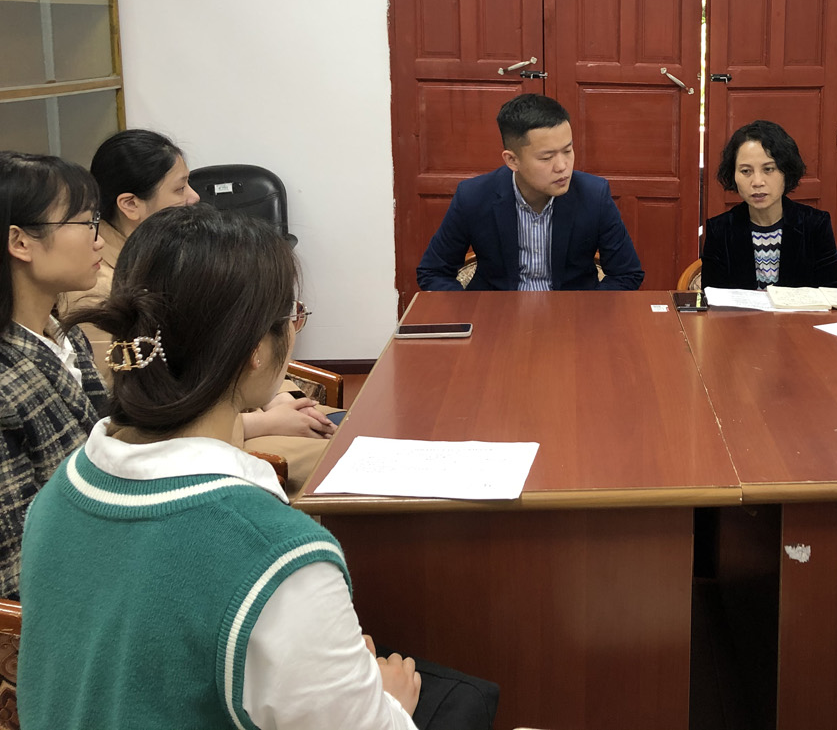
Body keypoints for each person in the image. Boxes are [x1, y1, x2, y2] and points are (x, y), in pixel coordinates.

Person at [26, 205, 497, 729]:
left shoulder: (61, 490)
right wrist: (390, 701)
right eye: (293, 316)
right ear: (255, 349)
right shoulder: (279, 556)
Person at [80, 129, 334, 495]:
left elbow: (243, 334)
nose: (194, 197)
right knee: (335, 461)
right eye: (179, 188)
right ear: (130, 204)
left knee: (343, 432)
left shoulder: (172, 255)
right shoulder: (104, 290)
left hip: (235, 406)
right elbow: (140, 406)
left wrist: (280, 397)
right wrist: (264, 420)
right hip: (197, 438)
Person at [0, 151, 109, 597]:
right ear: (21, 242)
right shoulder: (5, 381)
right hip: (65, 597)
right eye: (87, 223)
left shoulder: (65, 334)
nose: (99, 241)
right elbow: (17, 568)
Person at [416, 95, 644, 291]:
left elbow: (627, 274)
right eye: (547, 157)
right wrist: (474, 314)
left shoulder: (594, 195)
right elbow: (433, 272)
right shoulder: (474, 196)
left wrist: (584, 314)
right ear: (512, 160)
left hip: (572, 318)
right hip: (497, 317)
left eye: (568, 150)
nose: (562, 166)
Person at [700, 120, 837, 290]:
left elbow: (835, 294)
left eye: (768, 169)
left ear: (786, 172)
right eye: (746, 171)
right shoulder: (719, 230)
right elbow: (712, 297)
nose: (757, 182)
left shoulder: (815, 225)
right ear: (733, 175)